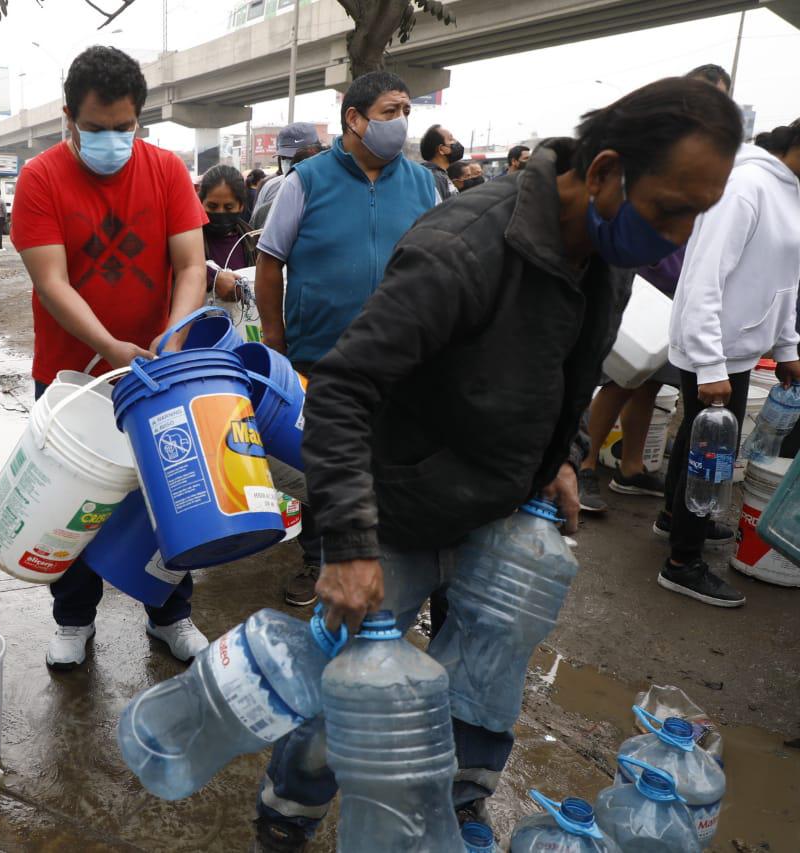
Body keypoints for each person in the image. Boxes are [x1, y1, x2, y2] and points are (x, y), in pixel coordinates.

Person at [249, 77, 742, 853]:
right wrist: (347, 545)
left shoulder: (605, 255)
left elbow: (566, 371)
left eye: (695, 217)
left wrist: (564, 456)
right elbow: (342, 389)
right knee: (339, 697)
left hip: (500, 507)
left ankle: (457, 810)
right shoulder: (465, 245)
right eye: (669, 210)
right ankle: (288, 813)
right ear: (606, 170)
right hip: (401, 511)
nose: (678, 238)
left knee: (483, 683)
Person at [10, 45, 210, 670]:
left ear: (139, 119)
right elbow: (53, 282)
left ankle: (170, 612)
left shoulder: (166, 171)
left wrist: (173, 339)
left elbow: (189, 265)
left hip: (157, 370)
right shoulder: (40, 178)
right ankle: (74, 618)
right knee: (73, 503)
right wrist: (110, 348)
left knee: (167, 496)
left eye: (124, 128)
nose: (112, 141)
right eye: (95, 129)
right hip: (73, 375)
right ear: (69, 117)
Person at [253, 70, 438, 609]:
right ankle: (316, 561)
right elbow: (269, 263)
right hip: (321, 352)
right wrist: (274, 342)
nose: (401, 122)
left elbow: (442, 264)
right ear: (354, 120)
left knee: (391, 457)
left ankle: (381, 561)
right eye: (389, 111)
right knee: (322, 462)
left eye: (406, 110)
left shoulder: (424, 183)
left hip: (402, 355)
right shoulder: (306, 180)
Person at [577, 61, 738, 516]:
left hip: (676, 288)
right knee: (621, 377)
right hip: (644, 282)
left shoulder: (710, 171)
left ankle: (631, 465)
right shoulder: (645, 176)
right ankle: (585, 462)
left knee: (649, 381)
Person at [659, 120, 800, 608]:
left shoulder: (791, 192)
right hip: (715, 347)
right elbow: (702, 279)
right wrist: (710, 365)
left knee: (696, 440)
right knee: (712, 452)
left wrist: (787, 347)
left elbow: (784, 279)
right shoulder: (746, 186)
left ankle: (674, 521)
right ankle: (682, 562)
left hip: (737, 345)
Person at [249, 123, 324, 229]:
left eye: (298, 157)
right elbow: (254, 231)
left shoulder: (330, 188)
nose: (291, 163)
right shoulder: (270, 187)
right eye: (284, 158)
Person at [199, 165, 257, 300]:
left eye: (228, 207)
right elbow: (180, 267)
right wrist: (212, 279)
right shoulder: (189, 240)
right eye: (212, 206)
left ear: (241, 206)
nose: (220, 212)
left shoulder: (253, 241)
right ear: (201, 203)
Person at [420, 123, 464, 198]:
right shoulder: (434, 178)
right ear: (441, 149)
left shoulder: (440, 175)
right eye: (451, 139)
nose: (456, 141)